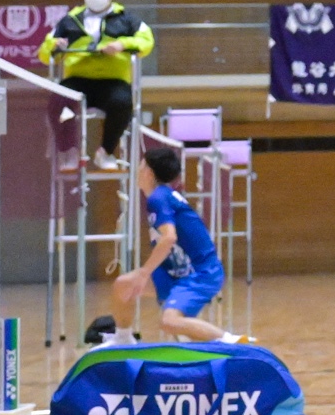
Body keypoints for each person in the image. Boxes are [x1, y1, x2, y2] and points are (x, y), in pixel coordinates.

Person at [103, 145, 248, 347]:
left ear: (148, 172)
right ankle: (123, 338)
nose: (137, 170)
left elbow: (169, 238)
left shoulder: (158, 198)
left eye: (141, 165)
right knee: (123, 285)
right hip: (177, 271)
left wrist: (144, 272)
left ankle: (232, 342)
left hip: (200, 273)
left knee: (169, 322)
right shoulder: (163, 196)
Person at [39, 0, 155, 170]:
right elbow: (44, 53)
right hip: (77, 80)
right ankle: (68, 150)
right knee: (57, 103)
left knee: (122, 103)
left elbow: (147, 41)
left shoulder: (127, 19)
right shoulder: (69, 20)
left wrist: (122, 44)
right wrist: (54, 45)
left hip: (113, 80)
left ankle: (106, 151)